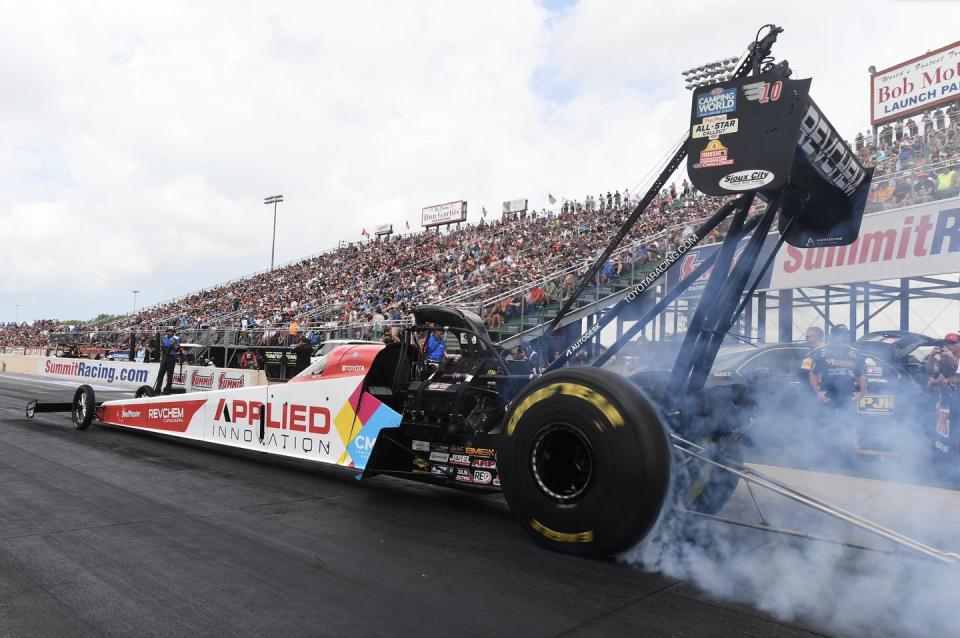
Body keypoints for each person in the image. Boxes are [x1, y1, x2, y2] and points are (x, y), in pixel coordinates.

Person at [808, 325, 866, 407]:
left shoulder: (855, 353)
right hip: (827, 394)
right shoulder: (820, 352)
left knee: (848, 419)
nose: (844, 337)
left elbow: (861, 375)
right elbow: (813, 373)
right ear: (832, 336)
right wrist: (817, 391)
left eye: (846, 334)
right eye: (840, 334)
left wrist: (861, 393)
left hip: (848, 394)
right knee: (825, 419)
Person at [155, 327, 181, 395]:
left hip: (171, 357)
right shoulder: (164, 338)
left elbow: (177, 348)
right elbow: (162, 347)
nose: (169, 332)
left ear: (173, 332)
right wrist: (161, 356)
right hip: (164, 357)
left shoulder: (176, 338)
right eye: (168, 331)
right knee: (160, 374)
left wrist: (173, 343)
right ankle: (158, 389)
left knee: (169, 375)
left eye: (171, 331)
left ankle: (167, 389)